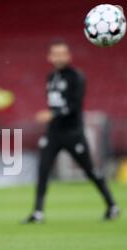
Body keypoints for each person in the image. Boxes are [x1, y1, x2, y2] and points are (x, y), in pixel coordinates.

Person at [24, 39, 120, 224]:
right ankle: (38, 212)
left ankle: (112, 205)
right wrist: (53, 117)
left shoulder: (76, 76)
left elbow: (75, 106)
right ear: (50, 57)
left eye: (63, 53)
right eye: (56, 54)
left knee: (89, 170)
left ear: (69, 56)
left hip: (72, 132)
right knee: (43, 169)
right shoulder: (51, 77)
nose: (59, 57)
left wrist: (53, 114)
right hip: (53, 133)